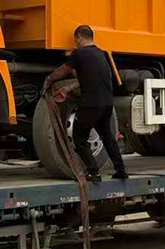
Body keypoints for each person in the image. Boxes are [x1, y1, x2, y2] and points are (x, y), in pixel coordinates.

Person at [42, 25, 127, 182]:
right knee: (108, 138)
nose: (75, 43)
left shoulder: (79, 54)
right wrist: (69, 87)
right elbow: (89, 79)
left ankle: (93, 172)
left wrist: (49, 79)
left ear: (80, 37)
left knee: (79, 138)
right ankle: (121, 170)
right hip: (107, 104)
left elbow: (62, 71)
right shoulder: (102, 54)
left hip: (90, 105)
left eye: (75, 40)